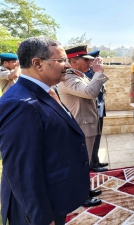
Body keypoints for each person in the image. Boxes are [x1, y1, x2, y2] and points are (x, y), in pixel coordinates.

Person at [0, 37, 90, 225]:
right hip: (37, 209)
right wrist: (42, 218)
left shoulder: (47, 90)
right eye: (61, 60)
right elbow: (22, 170)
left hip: (53, 197)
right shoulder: (20, 103)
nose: (67, 65)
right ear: (37, 63)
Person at [57, 45, 109, 207]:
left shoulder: (79, 75)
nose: (89, 62)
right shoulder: (68, 78)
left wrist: (96, 73)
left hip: (86, 125)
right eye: (85, 60)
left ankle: (85, 189)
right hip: (81, 126)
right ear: (73, 62)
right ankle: (80, 196)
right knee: (80, 163)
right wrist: (98, 72)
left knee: (84, 162)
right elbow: (90, 92)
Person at [85, 49, 108, 171]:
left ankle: (96, 160)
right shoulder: (88, 73)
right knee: (93, 138)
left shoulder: (95, 72)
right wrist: (97, 71)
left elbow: (103, 82)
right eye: (97, 60)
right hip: (93, 109)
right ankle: (92, 164)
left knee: (98, 137)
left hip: (100, 109)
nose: (100, 62)